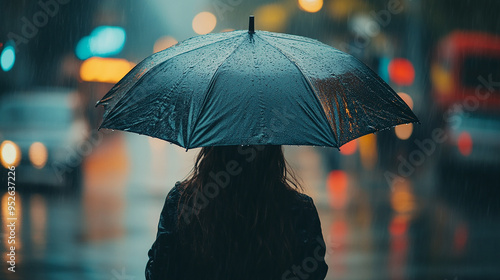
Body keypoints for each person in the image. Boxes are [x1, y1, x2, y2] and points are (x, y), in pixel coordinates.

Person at [145, 145, 328, 280]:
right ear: (273, 150)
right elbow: (314, 272)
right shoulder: (299, 210)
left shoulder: (182, 202)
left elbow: (159, 272)